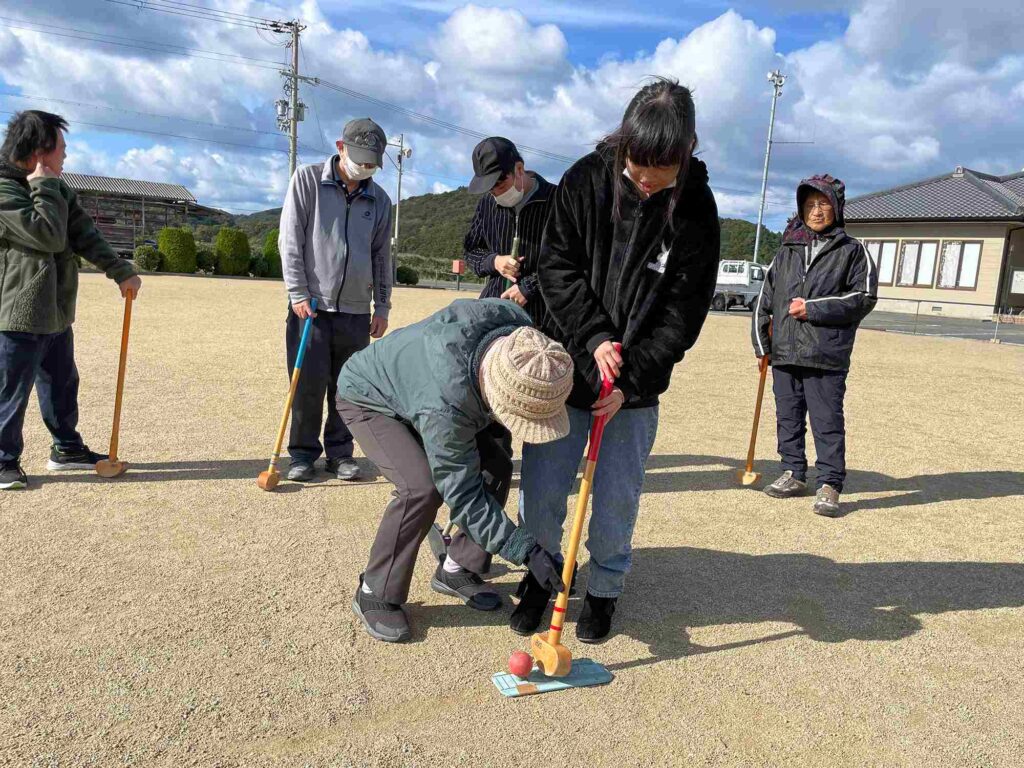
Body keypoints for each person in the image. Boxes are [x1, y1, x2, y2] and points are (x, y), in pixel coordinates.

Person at [512, 78, 721, 642]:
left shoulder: (697, 208)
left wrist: (632, 378)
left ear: (687, 152)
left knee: (616, 497)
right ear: (623, 144)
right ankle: (540, 576)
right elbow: (556, 268)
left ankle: (603, 588)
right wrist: (594, 336)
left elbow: (684, 311)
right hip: (567, 364)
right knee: (545, 486)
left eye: (661, 169)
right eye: (637, 166)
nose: (646, 179)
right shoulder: (584, 179)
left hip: (634, 388)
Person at [336, 299, 572, 643]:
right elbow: (461, 493)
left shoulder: (522, 336)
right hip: (369, 396)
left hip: (436, 386)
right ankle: (375, 590)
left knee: (497, 464)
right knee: (420, 486)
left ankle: (457, 565)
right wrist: (524, 549)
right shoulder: (445, 406)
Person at [0, 111, 141, 491]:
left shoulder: (60, 189)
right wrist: (44, 186)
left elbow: (84, 235)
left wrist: (120, 270)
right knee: (11, 389)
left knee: (62, 382)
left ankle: (66, 448)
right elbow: (45, 235)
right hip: (18, 312)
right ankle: (3, 461)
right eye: (61, 149)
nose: (65, 157)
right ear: (39, 153)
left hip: (56, 309)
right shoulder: (4, 191)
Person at [752, 174, 877, 517]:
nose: (816, 211)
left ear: (836, 208)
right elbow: (765, 301)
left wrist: (814, 309)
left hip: (826, 354)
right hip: (785, 353)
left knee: (827, 422)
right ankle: (793, 472)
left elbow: (864, 297)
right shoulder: (786, 252)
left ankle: (830, 484)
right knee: (787, 417)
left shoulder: (853, 251)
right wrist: (762, 344)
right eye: (809, 204)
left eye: (823, 204)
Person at [278, 118, 393, 483]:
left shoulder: (380, 200)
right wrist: (297, 291)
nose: (366, 167)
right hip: (310, 306)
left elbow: (381, 257)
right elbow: (290, 239)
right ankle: (302, 454)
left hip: (356, 312)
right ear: (341, 147)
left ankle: (341, 453)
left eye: (373, 162)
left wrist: (383, 306)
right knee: (307, 385)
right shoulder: (307, 180)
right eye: (361, 158)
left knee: (348, 388)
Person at [463, 137, 555, 326]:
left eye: (500, 186)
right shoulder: (487, 204)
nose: (496, 194)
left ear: (519, 169)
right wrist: (494, 261)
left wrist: (529, 287)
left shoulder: (558, 200)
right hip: (495, 309)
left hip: (546, 313)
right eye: (490, 190)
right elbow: (471, 251)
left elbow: (572, 258)